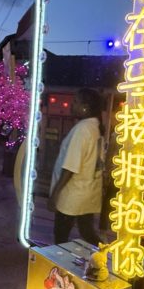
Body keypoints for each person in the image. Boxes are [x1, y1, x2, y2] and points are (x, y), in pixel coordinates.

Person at [48, 88, 104, 245]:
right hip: (87, 192)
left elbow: (71, 166)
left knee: (61, 236)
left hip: (72, 195)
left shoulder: (82, 129)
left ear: (85, 107)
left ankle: (59, 266)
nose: (72, 106)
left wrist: (55, 194)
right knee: (87, 232)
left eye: (76, 103)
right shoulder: (94, 127)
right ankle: (105, 257)